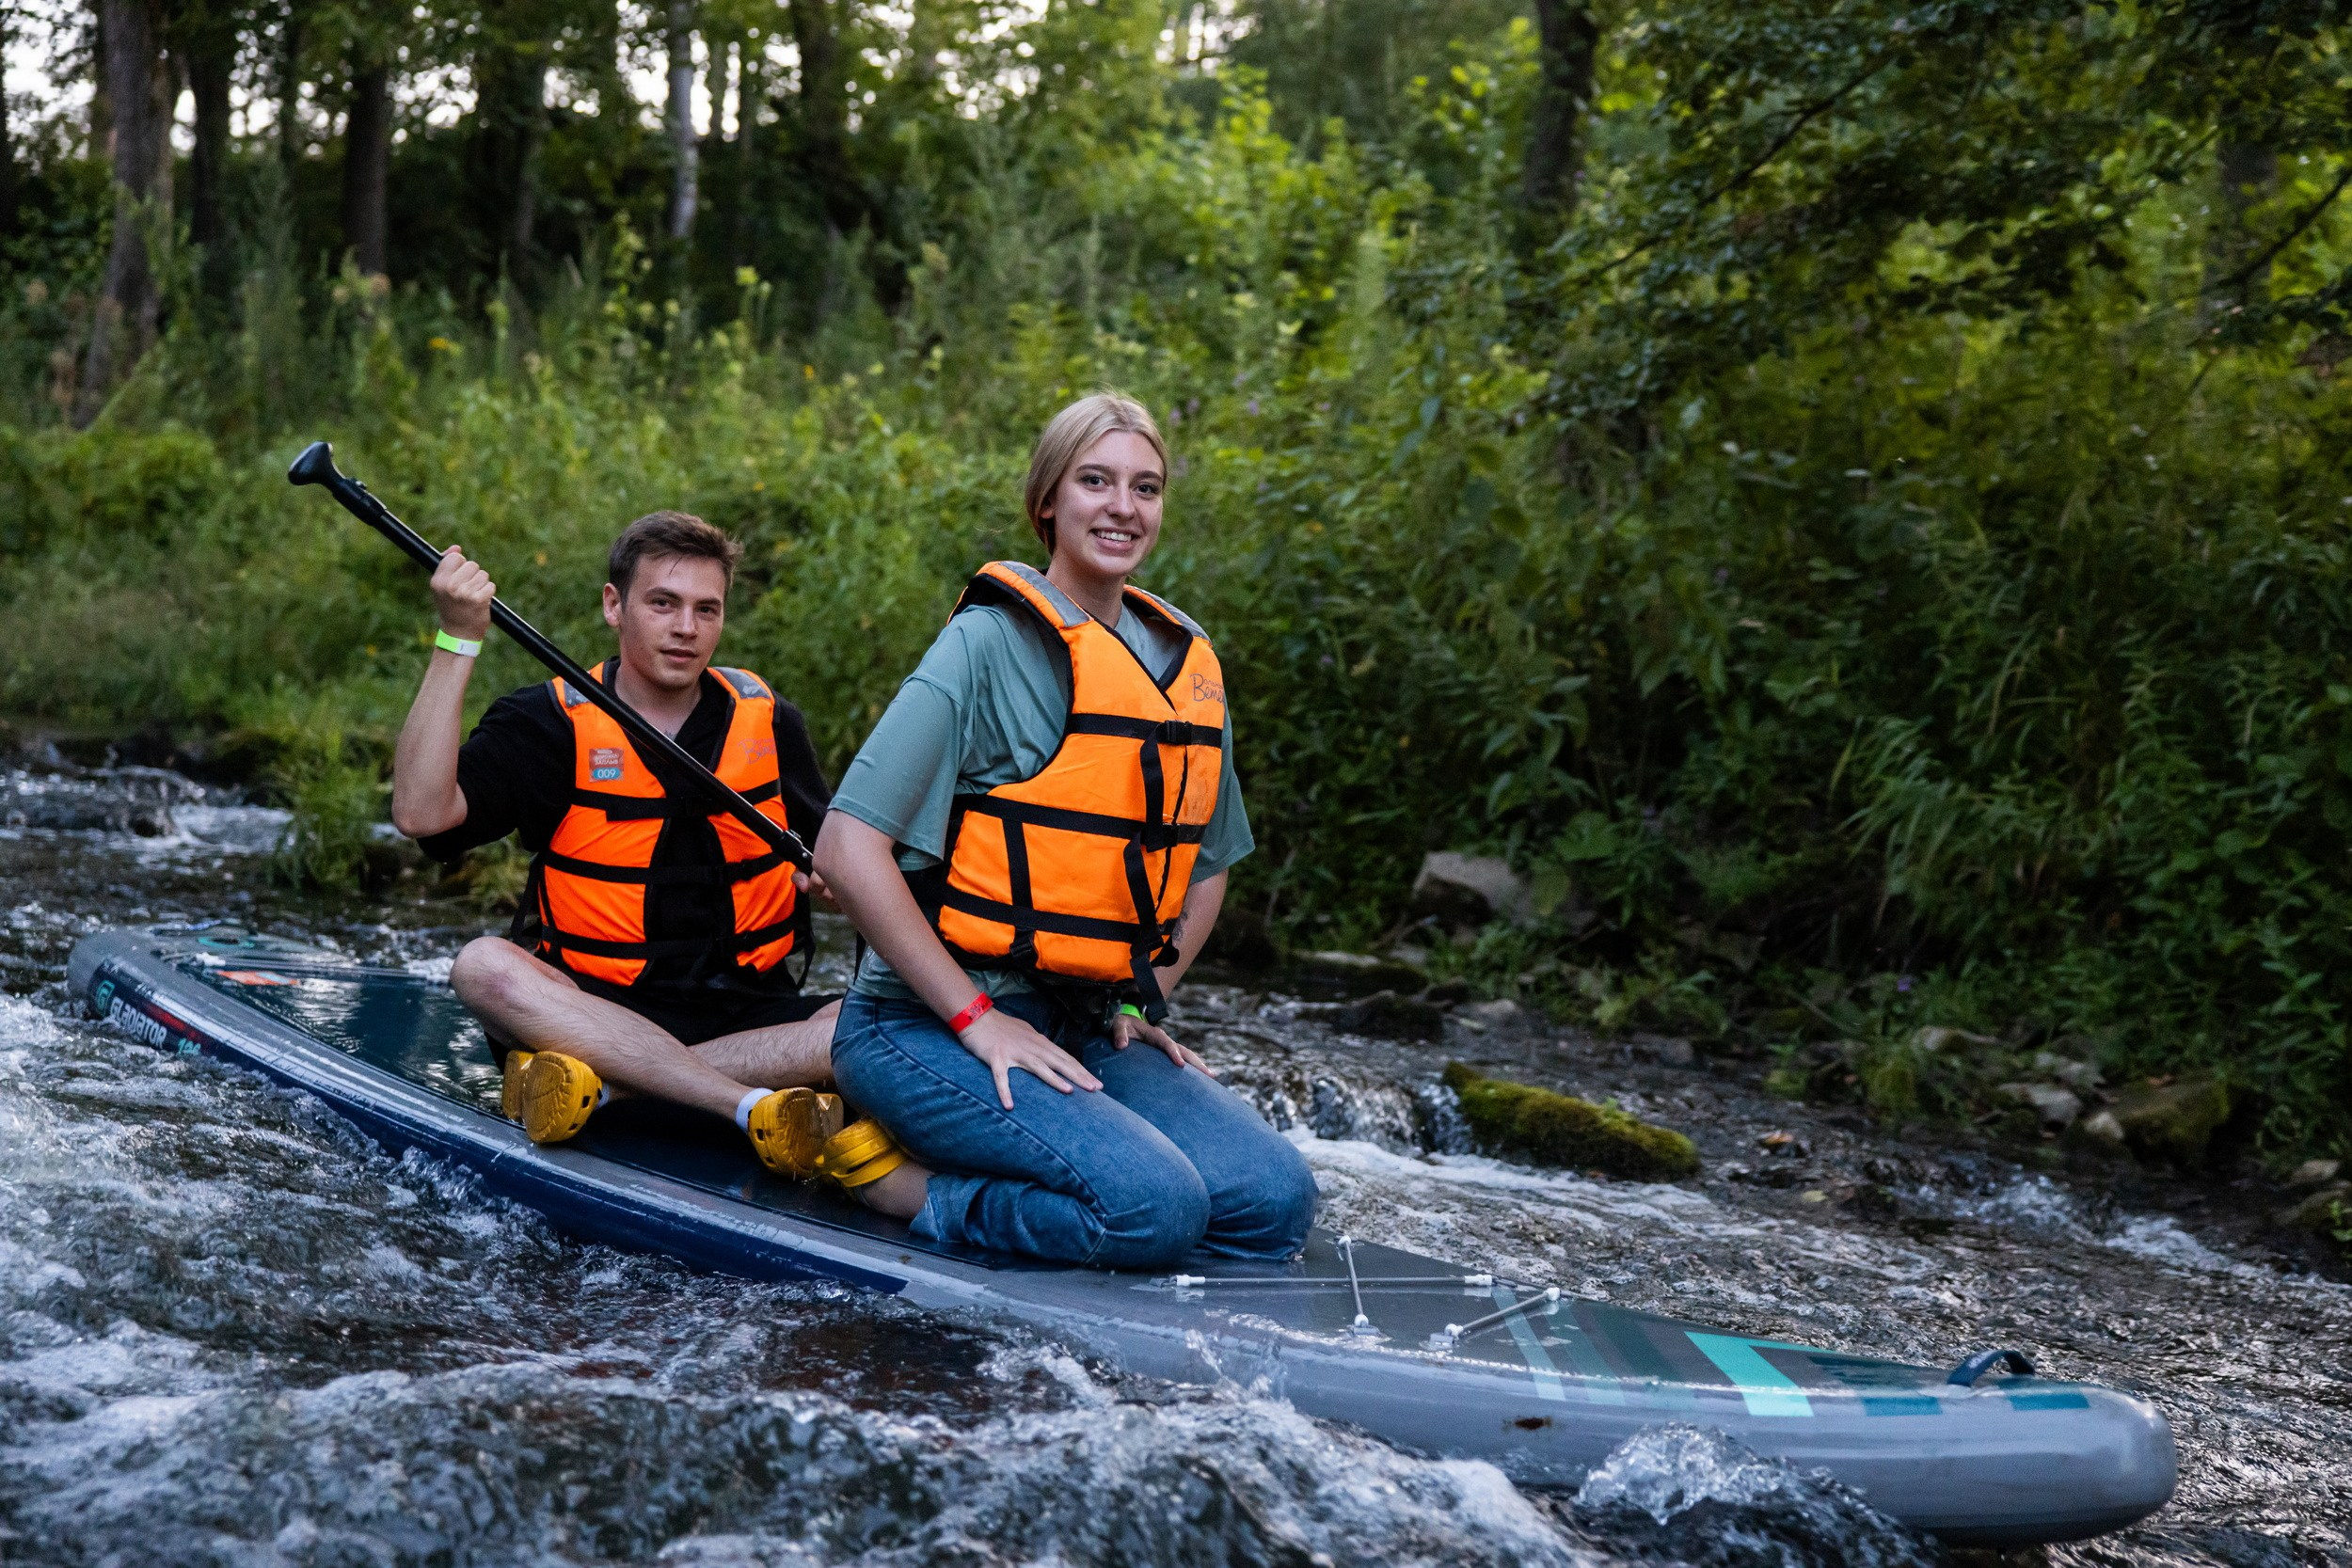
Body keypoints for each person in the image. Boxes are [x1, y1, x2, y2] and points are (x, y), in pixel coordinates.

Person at [810, 390, 1317, 1269]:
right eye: (1096, 480)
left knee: (1276, 1202)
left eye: (1146, 487)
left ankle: (1053, 1171)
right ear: (1049, 498)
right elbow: (846, 847)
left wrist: (1137, 995)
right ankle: (914, 1187)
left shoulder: (1183, 665)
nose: (1123, 506)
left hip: (1082, 1019)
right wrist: (975, 1018)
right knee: (1154, 1209)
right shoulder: (984, 644)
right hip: (924, 1024)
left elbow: (1206, 862)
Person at [389, 510, 847, 1176]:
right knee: (483, 967)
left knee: (872, 1026)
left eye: (706, 608)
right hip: (593, 1015)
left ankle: (607, 1094)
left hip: (749, 1022)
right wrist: (457, 639)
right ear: (615, 605)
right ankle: (743, 1107)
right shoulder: (548, 721)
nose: (686, 628)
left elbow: (837, 864)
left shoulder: (771, 722)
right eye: (663, 603)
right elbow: (420, 813)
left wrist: (840, 887)